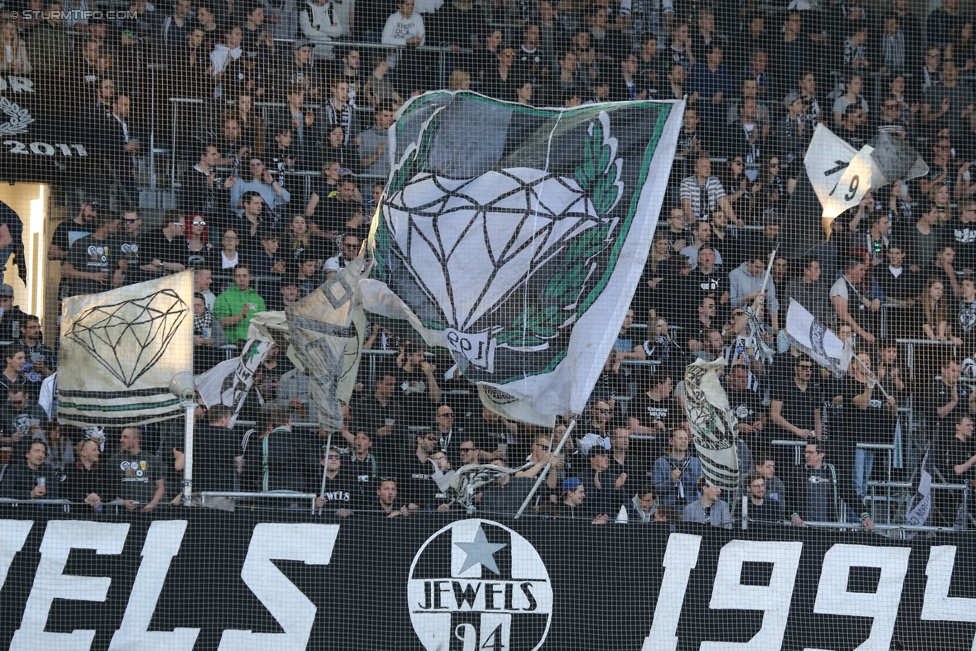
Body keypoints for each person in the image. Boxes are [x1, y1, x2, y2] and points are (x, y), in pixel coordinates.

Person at [769, 356, 822, 476]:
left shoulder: (815, 391)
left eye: (810, 368)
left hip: (806, 446)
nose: (808, 370)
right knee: (786, 477)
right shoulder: (783, 386)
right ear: (795, 369)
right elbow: (774, 415)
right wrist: (797, 431)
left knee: (804, 479)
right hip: (784, 444)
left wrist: (819, 444)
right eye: (804, 367)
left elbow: (818, 420)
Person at [193, 404, 241, 510]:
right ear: (223, 419)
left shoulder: (196, 433)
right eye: (229, 418)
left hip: (198, 489)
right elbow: (239, 466)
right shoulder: (232, 435)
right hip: (222, 491)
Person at [63, 212, 122, 296]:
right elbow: (66, 271)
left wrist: (119, 270)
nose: (119, 228)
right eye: (117, 225)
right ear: (108, 225)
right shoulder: (82, 242)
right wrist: (93, 276)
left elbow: (123, 264)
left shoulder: (113, 244)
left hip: (105, 295)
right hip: (82, 294)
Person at [107, 428, 165, 512]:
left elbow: (160, 487)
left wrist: (153, 503)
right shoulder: (114, 460)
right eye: (122, 437)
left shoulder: (151, 459)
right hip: (121, 512)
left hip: (146, 510)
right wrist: (122, 502)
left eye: (125, 437)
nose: (121, 440)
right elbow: (106, 489)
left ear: (136, 441)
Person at [936, 414, 976, 526]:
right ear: (958, 426)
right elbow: (958, 469)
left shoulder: (966, 445)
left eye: (972, 425)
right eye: (968, 425)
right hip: (957, 495)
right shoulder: (955, 444)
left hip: (966, 493)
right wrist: (974, 458)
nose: (972, 428)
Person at [652, 428, 702, 514]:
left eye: (686, 439)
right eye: (680, 438)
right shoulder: (660, 462)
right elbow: (654, 489)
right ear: (671, 441)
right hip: (668, 510)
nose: (684, 441)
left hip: (692, 508)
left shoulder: (696, 462)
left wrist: (700, 483)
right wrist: (671, 482)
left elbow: (703, 488)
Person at [214, 265, 266, 344]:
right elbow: (221, 322)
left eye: (245, 276)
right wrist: (241, 316)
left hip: (254, 346)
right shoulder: (223, 297)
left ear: (250, 277)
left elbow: (263, 325)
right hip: (233, 346)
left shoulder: (258, 299)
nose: (242, 279)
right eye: (238, 276)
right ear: (233, 277)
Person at [62, 438, 105, 509]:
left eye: (97, 450)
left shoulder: (101, 469)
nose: (98, 453)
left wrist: (98, 496)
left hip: (97, 514)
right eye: (94, 450)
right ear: (83, 453)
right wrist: (84, 499)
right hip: (75, 514)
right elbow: (65, 491)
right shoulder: (70, 468)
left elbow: (110, 492)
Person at [312, 447, 355, 516]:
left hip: (346, 522)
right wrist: (315, 506)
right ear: (322, 462)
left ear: (340, 462)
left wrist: (349, 511)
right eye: (330, 457)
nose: (334, 459)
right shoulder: (315, 482)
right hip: (323, 522)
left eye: (337, 457)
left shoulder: (350, 480)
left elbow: (359, 505)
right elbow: (308, 507)